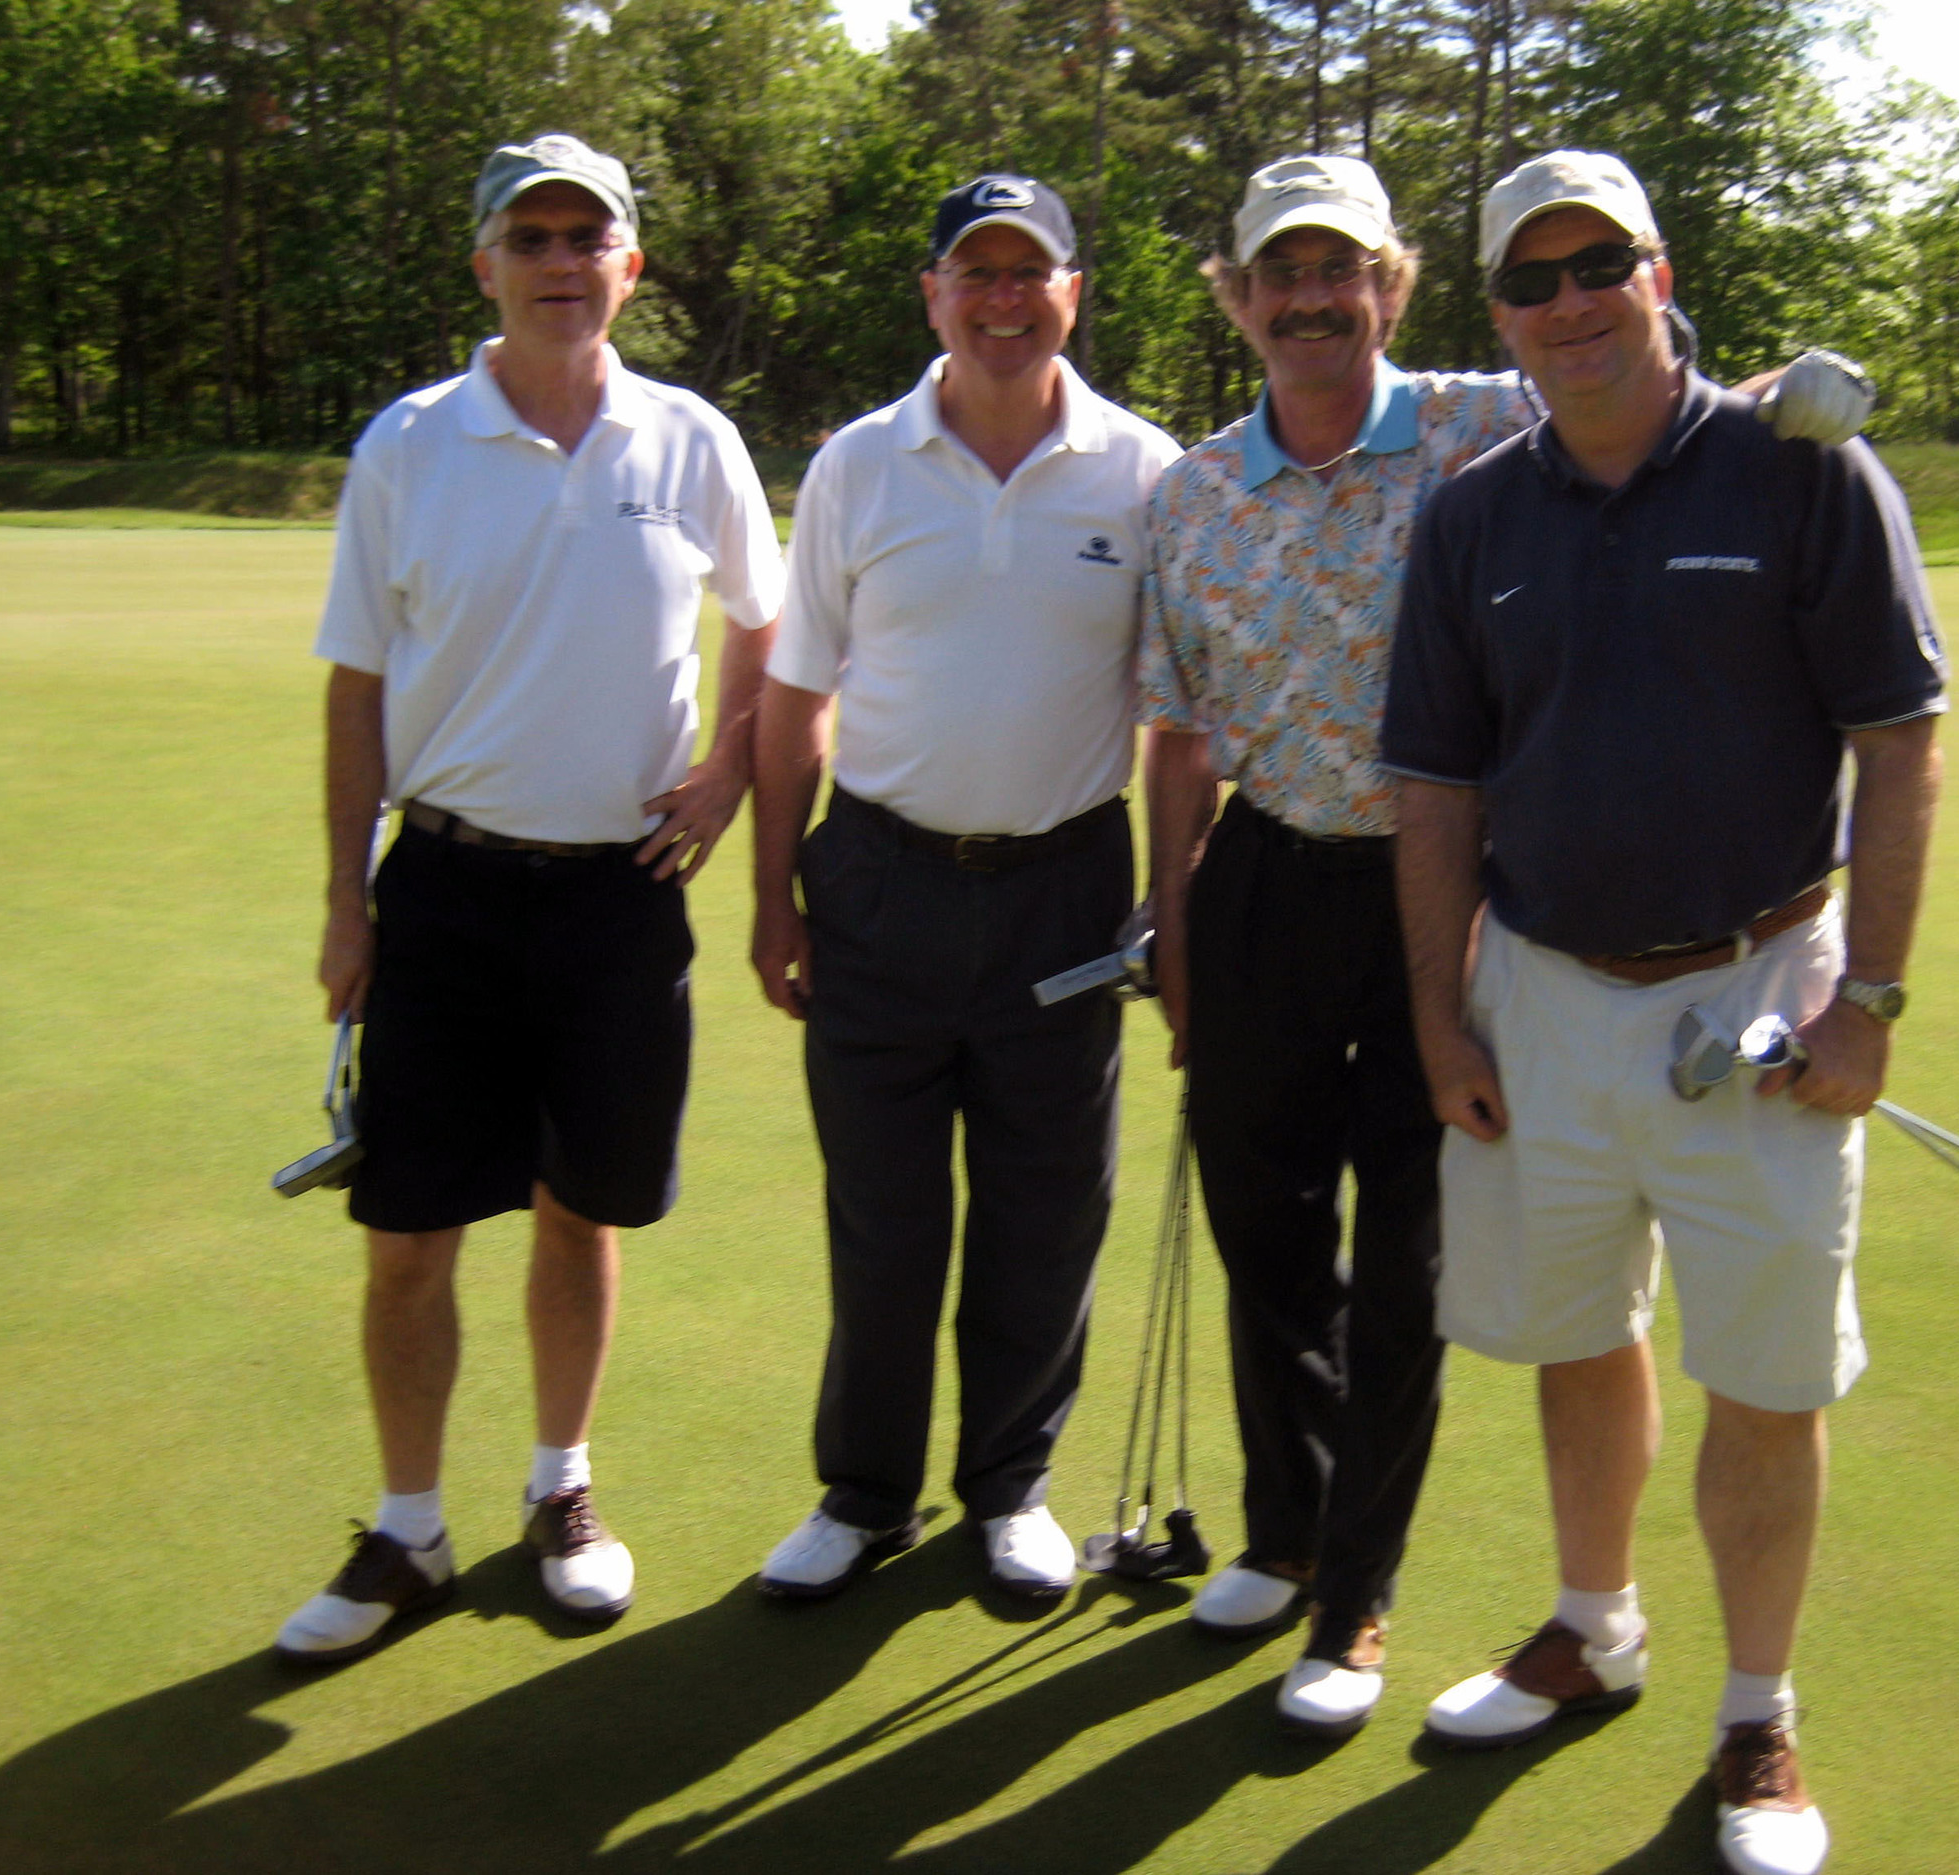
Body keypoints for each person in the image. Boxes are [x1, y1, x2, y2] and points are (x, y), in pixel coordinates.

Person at [1139, 156, 1875, 1740]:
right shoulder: (1200, 489)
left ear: (1391, 289)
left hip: (1465, 895)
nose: (1310, 296)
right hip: (1294, 881)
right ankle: (1297, 1532)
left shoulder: (1485, 419)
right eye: (1280, 272)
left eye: (1340, 267)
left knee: (1410, 1250)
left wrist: (1781, 397)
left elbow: (1653, 398)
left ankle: (1364, 1596)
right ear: (1242, 297)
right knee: (1271, 1227)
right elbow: (1182, 732)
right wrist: (1177, 920)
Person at [1382, 151, 1945, 1875]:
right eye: (1534, 281)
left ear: (1656, 269)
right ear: (1499, 316)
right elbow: (1434, 789)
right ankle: (1591, 1625)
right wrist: (1441, 1019)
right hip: (1539, 994)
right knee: (1574, 1331)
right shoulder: (1474, 513)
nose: (1570, 305)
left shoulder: (1802, 473)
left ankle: (1755, 1715)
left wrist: (1874, 1004)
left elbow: (1901, 742)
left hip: (1760, 991)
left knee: (1768, 1379)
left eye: (1596, 266)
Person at [276, 133, 785, 1665]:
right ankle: (409, 1527)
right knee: (411, 1229)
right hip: (442, 888)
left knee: (583, 1209)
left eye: (591, 239)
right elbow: (357, 683)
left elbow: (767, 627)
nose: (564, 263)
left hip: (619, 906)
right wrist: (348, 903)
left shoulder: (690, 437)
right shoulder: (410, 444)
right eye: (534, 237)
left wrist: (724, 775)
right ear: (485, 261)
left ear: (631, 266)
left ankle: (562, 1489)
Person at [748, 176, 1182, 1603]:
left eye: (1030, 273)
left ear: (1074, 291)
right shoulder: (860, 467)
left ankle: (1009, 1488)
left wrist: (1170, 899)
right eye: (973, 273)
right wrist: (772, 896)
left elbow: (1186, 713)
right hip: (875, 878)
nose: (1003, 299)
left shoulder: (1147, 472)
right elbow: (794, 693)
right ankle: (865, 1493)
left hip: (1064, 888)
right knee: (883, 1218)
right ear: (933, 293)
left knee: (1045, 1210)